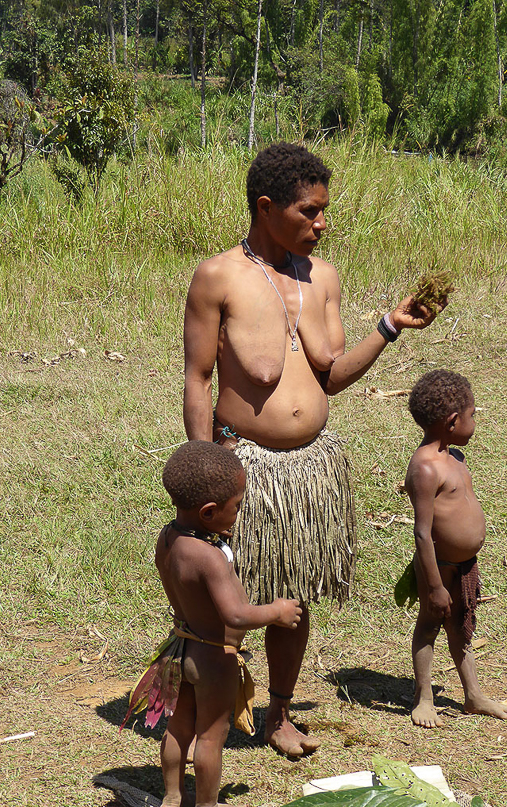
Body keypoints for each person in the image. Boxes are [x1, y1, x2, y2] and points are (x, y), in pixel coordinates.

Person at [183, 142, 445, 759]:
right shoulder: (219, 277)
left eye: (325, 211)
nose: (322, 224)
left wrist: (388, 328)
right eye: (309, 212)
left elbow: (330, 374)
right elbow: (197, 378)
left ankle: (278, 712)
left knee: (293, 599)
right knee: (228, 594)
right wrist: (206, 473)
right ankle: (211, 707)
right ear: (266, 207)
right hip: (242, 467)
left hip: (308, 471)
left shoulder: (320, 277)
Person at [121, 441, 302, 807]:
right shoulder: (208, 557)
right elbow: (235, 614)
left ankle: (172, 797)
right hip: (213, 657)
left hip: (181, 647)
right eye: (235, 506)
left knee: (179, 726)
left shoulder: (170, 539)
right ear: (208, 511)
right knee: (210, 736)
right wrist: (277, 612)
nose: (238, 513)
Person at [404, 369, 507, 728]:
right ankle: (423, 698)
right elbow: (422, 534)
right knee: (429, 625)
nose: (474, 421)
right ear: (453, 421)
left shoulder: (455, 458)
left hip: (464, 564)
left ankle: (473, 695)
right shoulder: (424, 468)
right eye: (472, 416)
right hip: (438, 564)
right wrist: (434, 585)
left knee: (461, 627)